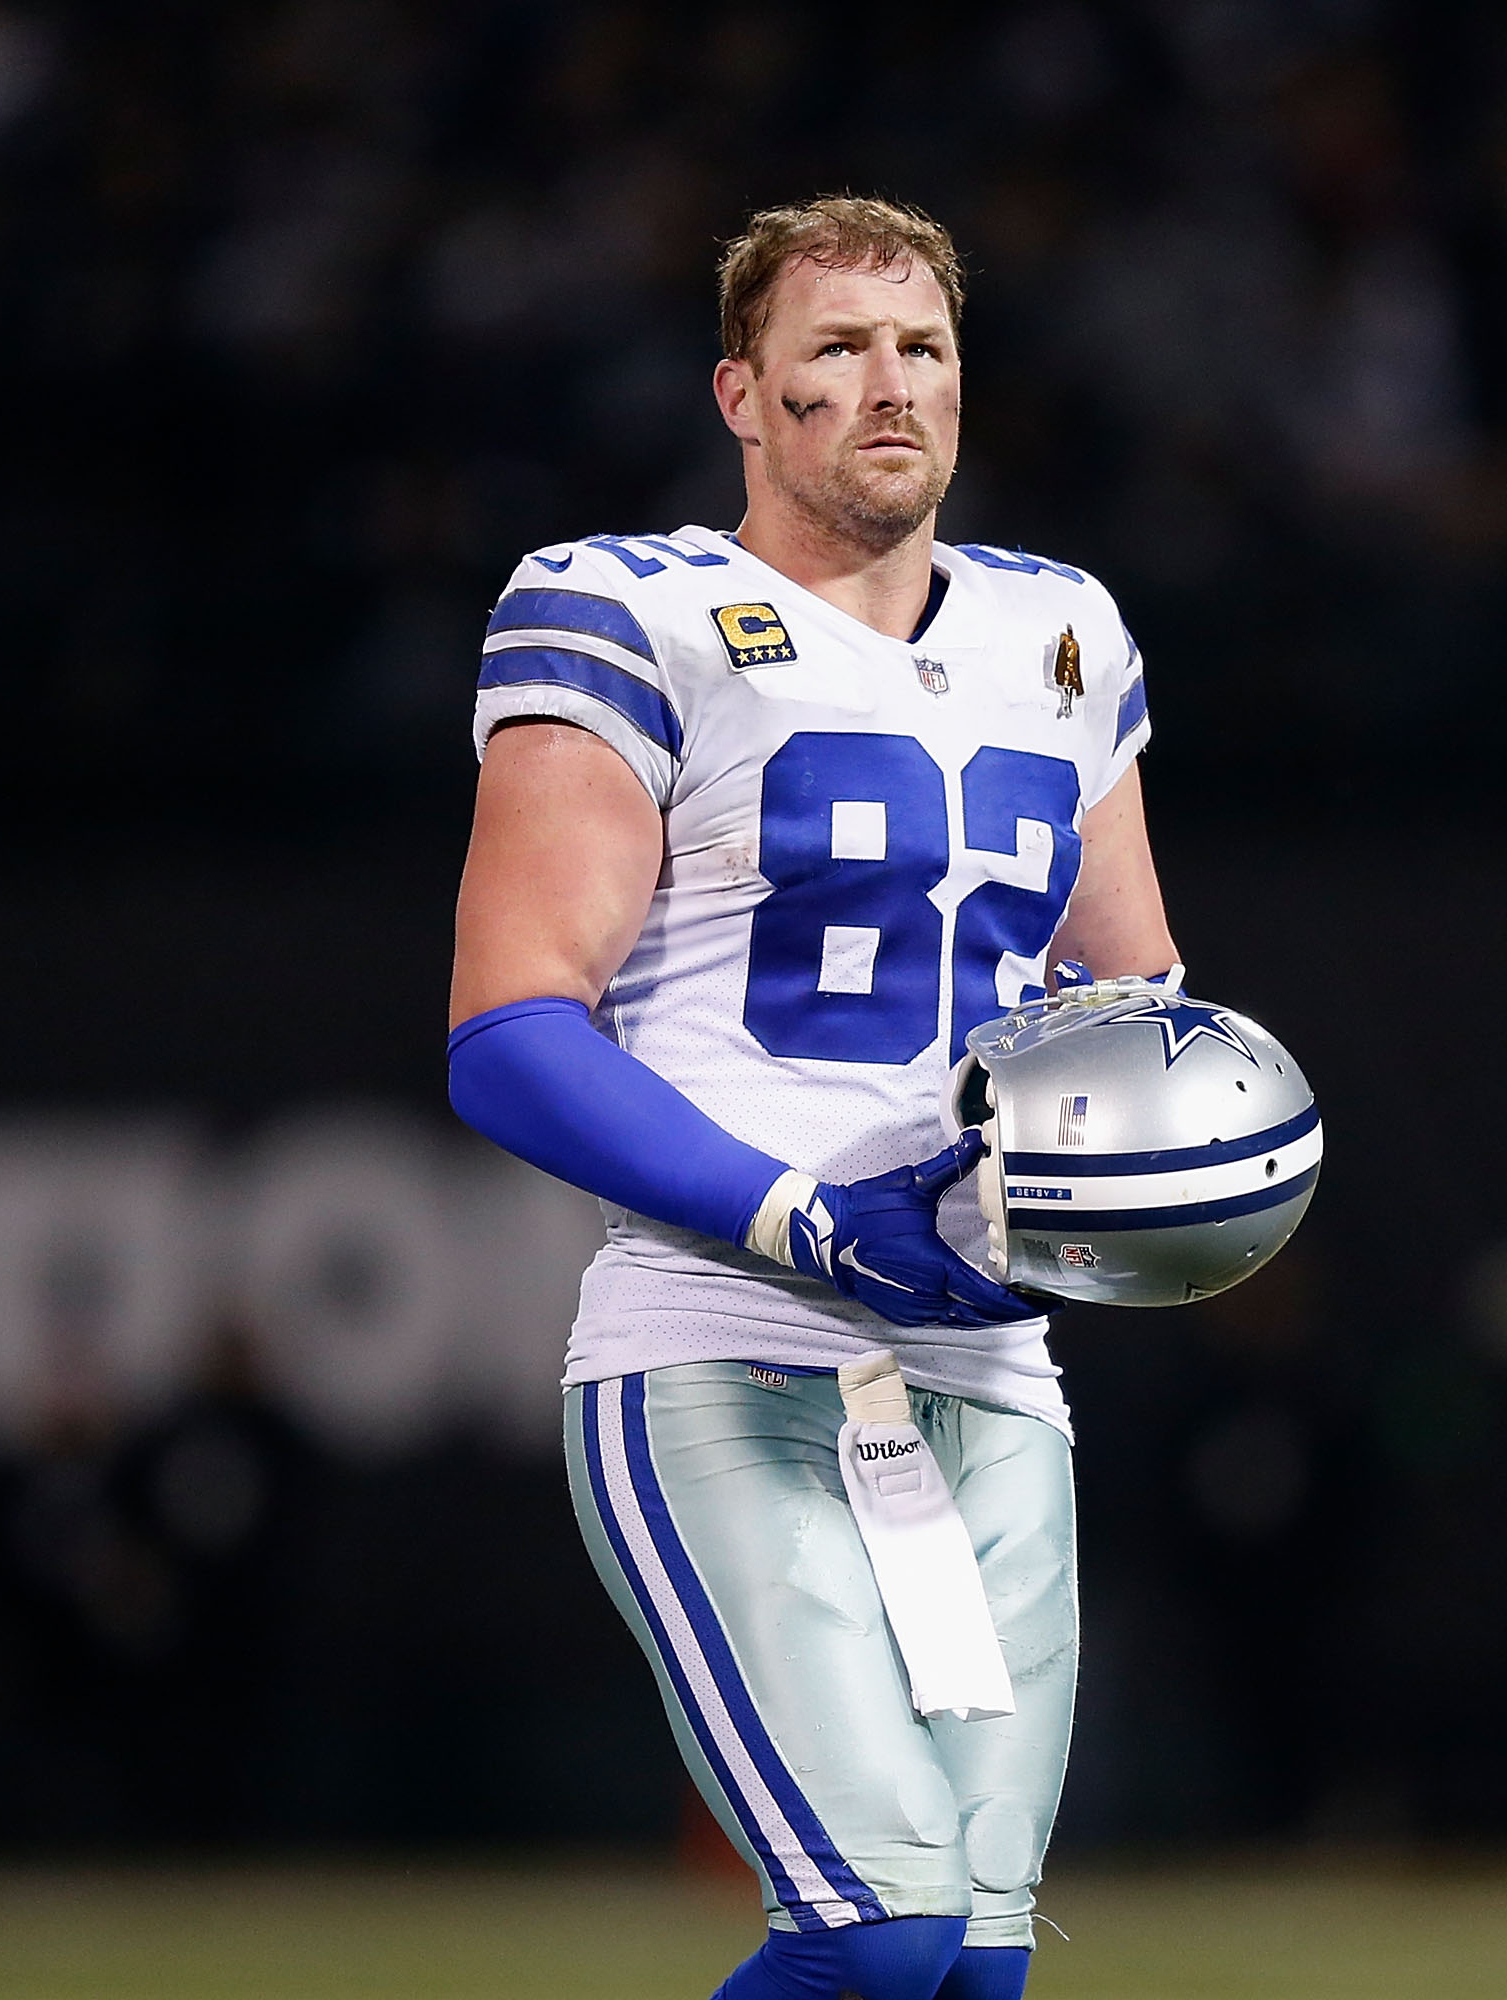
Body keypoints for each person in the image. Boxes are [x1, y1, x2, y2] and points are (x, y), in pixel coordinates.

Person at [444, 196, 1179, 2000]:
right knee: (882, 1929)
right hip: (726, 1333)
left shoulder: (1061, 633)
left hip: (992, 1367)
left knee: (972, 1975)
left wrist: (1146, 1155)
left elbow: (1134, 995)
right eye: (835, 352)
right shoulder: (628, 608)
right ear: (742, 398)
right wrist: (802, 1214)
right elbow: (511, 1032)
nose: (888, 385)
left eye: (921, 346)